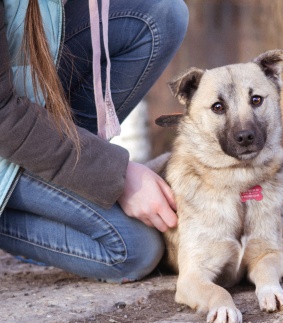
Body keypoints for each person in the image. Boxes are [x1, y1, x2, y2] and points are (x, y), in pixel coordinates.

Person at [0, 0, 188, 283]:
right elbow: (3, 118)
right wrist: (116, 174)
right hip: (7, 124)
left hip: (19, 114)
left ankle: (62, 186)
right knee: (134, 247)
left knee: (159, 15)